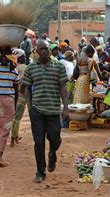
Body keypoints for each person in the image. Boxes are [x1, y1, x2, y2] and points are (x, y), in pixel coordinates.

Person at [23, 40, 69, 183]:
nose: (44, 51)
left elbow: (63, 87)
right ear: (36, 51)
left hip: (54, 110)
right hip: (37, 110)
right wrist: (30, 108)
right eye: (41, 49)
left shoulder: (59, 66)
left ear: (49, 51)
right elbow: (26, 89)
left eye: (46, 49)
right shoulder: (30, 68)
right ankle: (40, 171)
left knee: (55, 138)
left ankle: (52, 153)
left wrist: (66, 107)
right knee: (39, 142)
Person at [10, 49, 27, 146]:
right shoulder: (25, 67)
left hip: (11, 94)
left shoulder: (13, 67)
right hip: (21, 94)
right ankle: (14, 137)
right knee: (17, 117)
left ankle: (14, 136)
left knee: (12, 116)